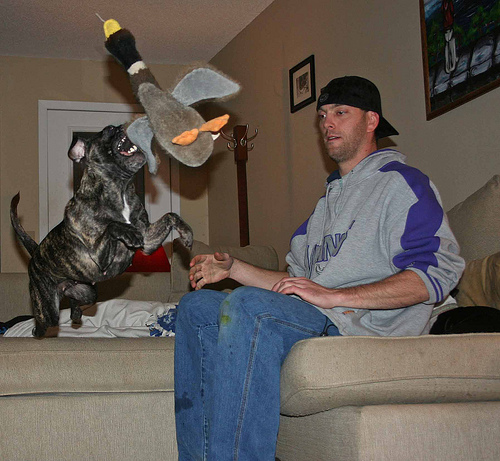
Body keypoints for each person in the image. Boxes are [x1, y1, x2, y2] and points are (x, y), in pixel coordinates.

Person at [174, 75, 465, 460]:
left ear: (371, 120)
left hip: (363, 325)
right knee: (195, 308)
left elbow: (438, 272)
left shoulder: (401, 185)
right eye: (323, 115)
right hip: (316, 315)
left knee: (247, 306)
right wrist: (234, 269)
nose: (328, 123)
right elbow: (296, 284)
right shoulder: (323, 209)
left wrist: (334, 295)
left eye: (341, 113)